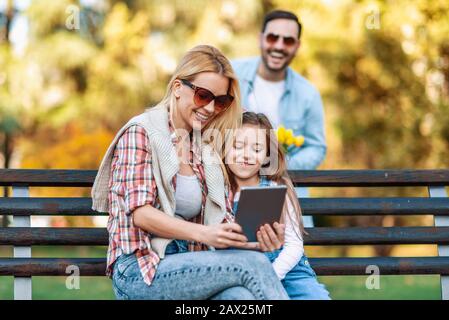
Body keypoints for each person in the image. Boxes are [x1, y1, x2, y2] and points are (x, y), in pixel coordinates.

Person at [91, 45, 289, 300]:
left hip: (193, 265)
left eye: (221, 101)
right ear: (176, 88)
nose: (210, 108)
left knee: (239, 297)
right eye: (203, 95)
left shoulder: (204, 147)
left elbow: (222, 227)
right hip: (141, 271)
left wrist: (258, 240)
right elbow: (141, 214)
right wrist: (204, 234)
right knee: (254, 264)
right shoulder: (141, 132)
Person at [231, 10, 327, 227]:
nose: (279, 46)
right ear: (261, 38)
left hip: (285, 193)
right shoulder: (232, 75)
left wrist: (277, 163)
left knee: (285, 248)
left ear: (297, 46)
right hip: (232, 189)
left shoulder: (308, 93)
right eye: (273, 37)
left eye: (288, 40)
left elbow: (317, 148)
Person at [224, 111, 330, 300]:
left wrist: (271, 276)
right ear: (224, 148)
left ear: (266, 156)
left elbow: (294, 245)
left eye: (256, 149)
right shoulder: (218, 192)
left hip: (289, 272)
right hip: (242, 273)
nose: (246, 155)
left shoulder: (277, 187)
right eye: (238, 146)